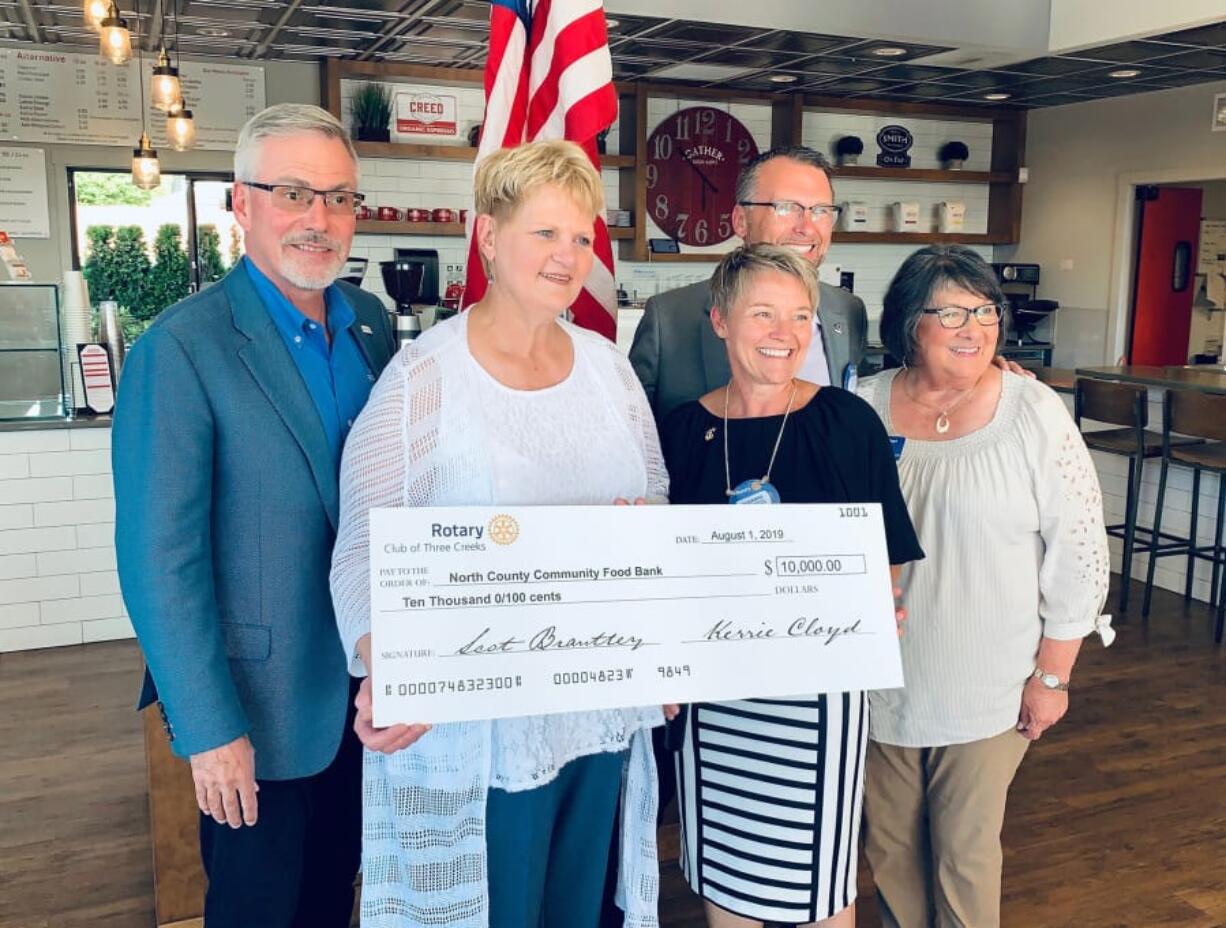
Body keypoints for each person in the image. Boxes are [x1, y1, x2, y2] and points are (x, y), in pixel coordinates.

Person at [329, 139, 667, 928]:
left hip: (597, 706)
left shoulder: (608, 368)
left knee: (578, 910)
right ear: (488, 237)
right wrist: (387, 667)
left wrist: (663, 642)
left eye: (581, 237)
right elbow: (363, 548)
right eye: (544, 233)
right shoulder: (424, 378)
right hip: (483, 727)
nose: (568, 256)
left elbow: (655, 503)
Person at [113, 103, 396, 926]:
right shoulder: (181, 347)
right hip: (257, 712)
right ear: (243, 203)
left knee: (329, 901)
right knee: (256, 910)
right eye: (295, 194)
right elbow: (159, 559)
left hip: (362, 698)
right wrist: (207, 728)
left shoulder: (371, 328)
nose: (320, 219)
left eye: (341, 198)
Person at [659, 243, 925, 928]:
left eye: (800, 316)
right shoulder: (683, 431)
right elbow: (660, 569)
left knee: (820, 888)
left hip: (818, 697)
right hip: (715, 699)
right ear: (721, 320)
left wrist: (876, 608)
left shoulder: (845, 421)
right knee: (727, 884)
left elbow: (888, 547)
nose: (785, 334)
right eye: (764, 314)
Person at [855, 244, 1112, 928]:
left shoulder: (1032, 411)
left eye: (986, 310)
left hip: (989, 685)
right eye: (952, 312)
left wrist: (1052, 679)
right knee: (890, 850)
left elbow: (1079, 552)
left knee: (965, 858)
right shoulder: (860, 406)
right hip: (880, 682)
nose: (975, 327)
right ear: (910, 322)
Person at [630, 146, 868, 419]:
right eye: (787, 208)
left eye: (821, 210)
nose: (806, 227)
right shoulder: (669, 318)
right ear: (741, 221)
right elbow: (634, 437)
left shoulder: (848, 311)